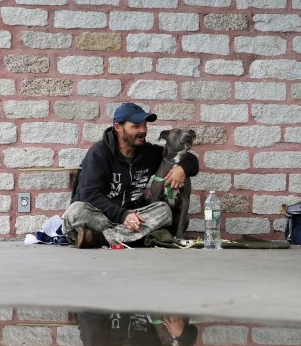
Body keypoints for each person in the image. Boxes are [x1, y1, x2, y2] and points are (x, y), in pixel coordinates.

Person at [63, 102, 199, 248]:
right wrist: (122, 216)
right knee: (75, 212)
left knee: (164, 211)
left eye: (144, 125)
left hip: (135, 216)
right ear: (118, 127)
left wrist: (182, 168)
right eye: (136, 126)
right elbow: (89, 194)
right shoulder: (99, 153)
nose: (143, 130)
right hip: (101, 215)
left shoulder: (148, 153)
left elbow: (190, 160)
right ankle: (134, 237)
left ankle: (98, 238)